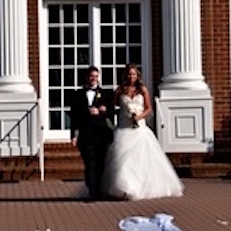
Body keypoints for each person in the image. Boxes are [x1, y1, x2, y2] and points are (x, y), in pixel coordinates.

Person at [101, 64, 184, 200]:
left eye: (133, 74)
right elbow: (113, 106)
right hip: (124, 129)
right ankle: (124, 188)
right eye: (129, 74)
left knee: (141, 160)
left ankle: (139, 187)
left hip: (139, 128)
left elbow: (148, 108)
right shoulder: (120, 90)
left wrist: (139, 116)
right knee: (123, 160)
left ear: (137, 75)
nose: (131, 76)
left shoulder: (142, 90)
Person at [67, 66, 114, 200]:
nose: (93, 79)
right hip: (86, 134)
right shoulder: (77, 95)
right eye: (91, 76)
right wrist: (73, 135)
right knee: (89, 163)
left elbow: (111, 113)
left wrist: (101, 111)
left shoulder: (106, 94)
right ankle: (92, 191)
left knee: (101, 163)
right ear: (87, 78)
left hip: (102, 134)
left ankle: (99, 190)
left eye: (96, 76)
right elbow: (74, 117)